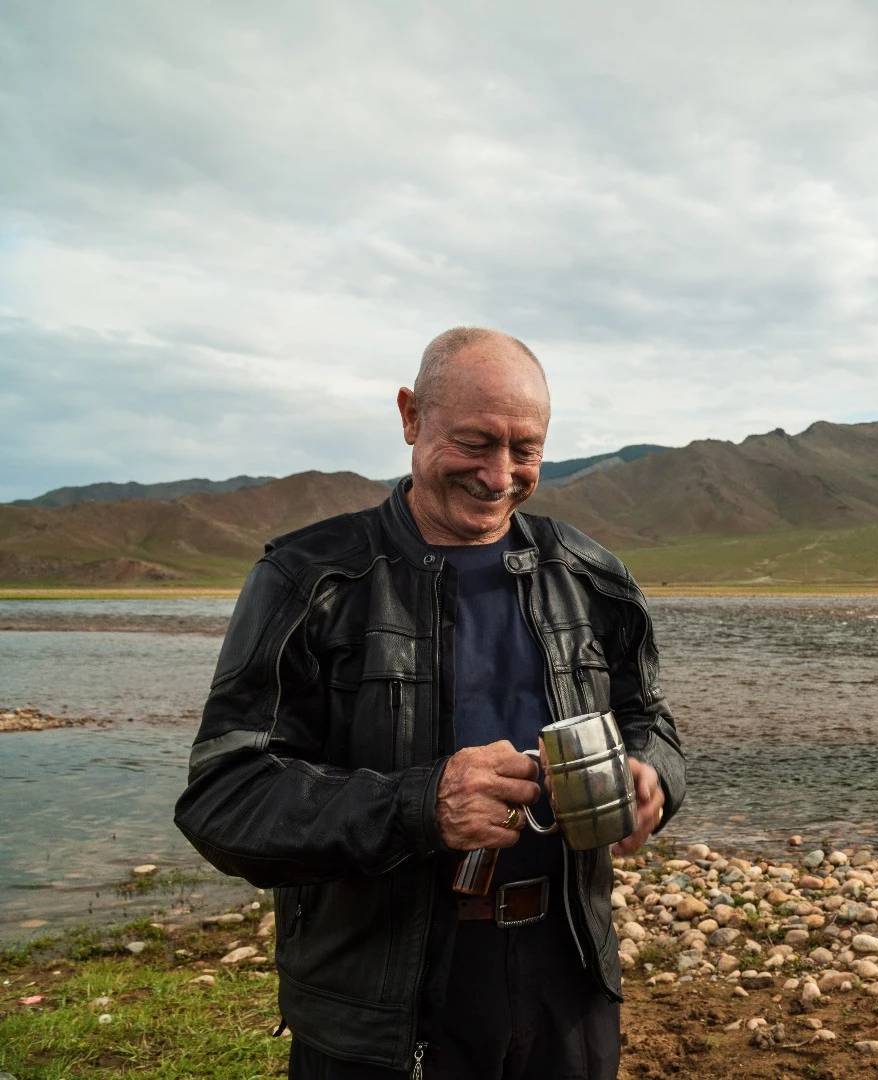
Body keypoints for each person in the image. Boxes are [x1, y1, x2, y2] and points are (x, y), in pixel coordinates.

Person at [174, 327, 685, 1079]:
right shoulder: (310, 581)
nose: (499, 474)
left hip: (567, 984)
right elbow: (224, 796)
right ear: (411, 417)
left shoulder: (589, 575)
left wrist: (650, 775)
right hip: (381, 1004)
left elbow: (649, 718)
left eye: (526, 450)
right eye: (475, 442)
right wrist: (423, 804)